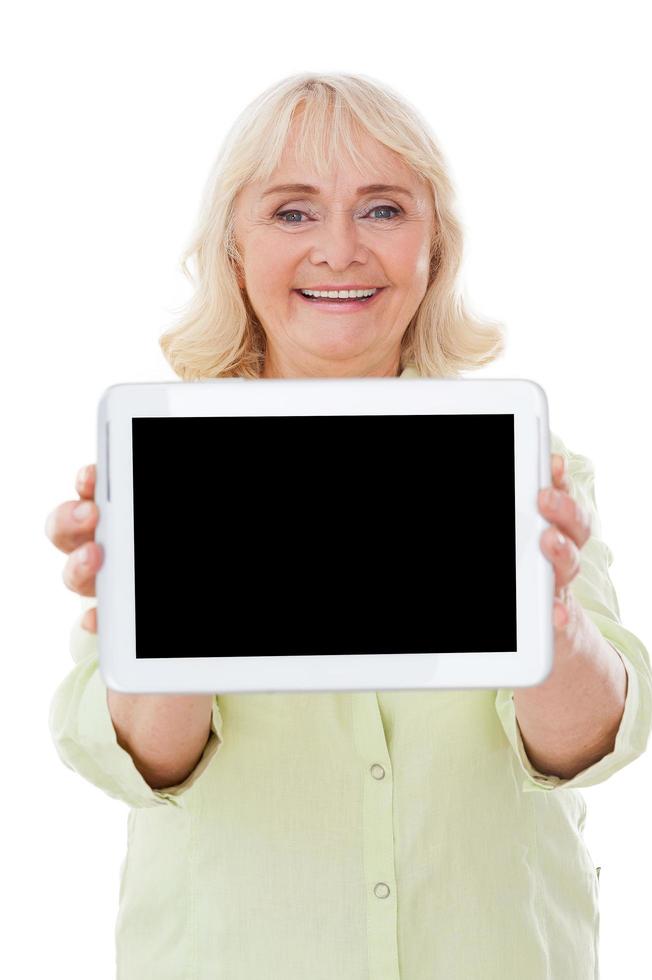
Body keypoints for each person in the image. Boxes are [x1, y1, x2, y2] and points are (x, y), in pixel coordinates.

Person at [46, 72, 652, 979]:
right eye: (293, 213)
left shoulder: (528, 462)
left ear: (433, 248)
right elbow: (150, 765)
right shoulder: (164, 463)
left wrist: (554, 625)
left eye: (382, 209)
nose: (340, 249)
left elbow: (585, 745)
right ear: (233, 250)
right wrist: (150, 628)